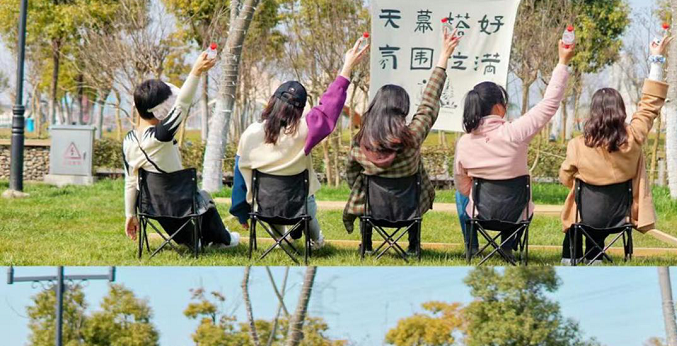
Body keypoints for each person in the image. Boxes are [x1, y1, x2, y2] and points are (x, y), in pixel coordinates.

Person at [230, 41, 370, 248]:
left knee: (271, 197)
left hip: (264, 208)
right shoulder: (305, 130)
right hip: (300, 207)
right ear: (300, 109)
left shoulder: (250, 133)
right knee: (306, 199)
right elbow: (329, 108)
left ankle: (281, 240)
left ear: (272, 101)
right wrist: (346, 67)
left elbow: (239, 177)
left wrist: (241, 211)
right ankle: (316, 240)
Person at [342, 31, 460, 254]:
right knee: (415, 183)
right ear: (402, 110)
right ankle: (413, 245)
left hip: (372, 211)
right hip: (409, 211)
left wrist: (361, 184)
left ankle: (367, 245)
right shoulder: (412, 137)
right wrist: (444, 56)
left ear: (375, 108)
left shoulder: (360, 144)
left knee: (363, 185)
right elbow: (429, 103)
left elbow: (350, 174)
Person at [558, 35, 672, 263]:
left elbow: (565, 177)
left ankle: (569, 258)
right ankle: (595, 256)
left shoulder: (577, 145)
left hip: (587, 215)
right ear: (621, 110)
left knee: (580, 210)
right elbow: (650, 104)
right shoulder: (634, 136)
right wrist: (657, 60)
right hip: (621, 218)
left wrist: (584, 181)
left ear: (593, 112)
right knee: (594, 212)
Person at [454, 39, 574, 252]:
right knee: (516, 198)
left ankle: (471, 247)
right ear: (498, 107)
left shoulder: (464, 142)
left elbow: (462, 184)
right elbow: (549, 104)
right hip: (516, 214)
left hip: (481, 213)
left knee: (460, 195)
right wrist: (562, 62)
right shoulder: (516, 132)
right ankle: (507, 247)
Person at [123, 52, 240, 249]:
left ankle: (197, 240)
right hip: (181, 205)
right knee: (204, 197)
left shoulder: (128, 141)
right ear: (160, 111)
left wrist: (130, 214)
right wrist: (196, 71)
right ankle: (224, 239)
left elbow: (130, 181)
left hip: (151, 208)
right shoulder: (160, 136)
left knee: (192, 198)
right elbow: (182, 104)